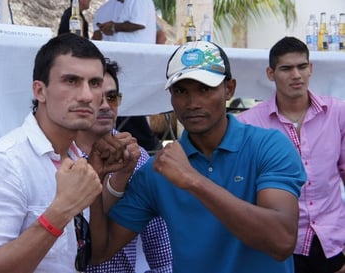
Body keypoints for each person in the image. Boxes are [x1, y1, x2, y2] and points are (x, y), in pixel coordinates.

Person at [88, 40, 307, 273]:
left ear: (229, 89)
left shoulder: (268, 146)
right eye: (181, 91)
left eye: (205, 89)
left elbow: (282, 241)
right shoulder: (159, 170)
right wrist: (94, 179)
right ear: (171, 95)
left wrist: (193, 180)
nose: (193, 103)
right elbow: (99, 252)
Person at [0, 59, 173, 273]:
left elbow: (159, 253)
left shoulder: (136, 158)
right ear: (41, 92)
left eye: (112, 96)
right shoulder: (15, 160)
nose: (103, 104)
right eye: (75, 85)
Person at [237, 36, 345, 273]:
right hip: (279, 246)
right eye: (286, 68)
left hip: (333, 241)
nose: (296, 75)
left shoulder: (337, 112)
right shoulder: (248, 123)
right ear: (270, 73)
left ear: (311, 68)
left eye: (302, 66)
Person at [92, 0, 161, 152]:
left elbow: (139, 23)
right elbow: (95, 37)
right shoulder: (104, 9)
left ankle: (145, 143)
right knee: (118, 103)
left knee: (129, 104)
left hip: (137, 67)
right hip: (111, 67)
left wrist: (114, 26)